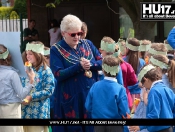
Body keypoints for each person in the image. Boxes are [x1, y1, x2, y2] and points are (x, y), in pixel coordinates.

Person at [50, 14, 102, 132]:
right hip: (71, 98)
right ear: (63, 33)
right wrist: (79, 66)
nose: (77, 37)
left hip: (91, 95)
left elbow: (102, 61)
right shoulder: (56, 49)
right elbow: (58, 74)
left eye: (79, 33)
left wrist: (91, 65)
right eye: (73, 34)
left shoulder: (87, 43)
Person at [85, 55, 130, 132]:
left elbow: (88, 106)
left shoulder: (95, 85)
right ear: (118, 70)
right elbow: (124, 110)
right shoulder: (120, 89)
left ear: (103, 69)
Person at [129, 64, 175, 132]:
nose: (145, 87)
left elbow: (154, 115)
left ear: (146, 79)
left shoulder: (154, 91)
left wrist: (140, 126)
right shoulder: (168, 90)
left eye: (143, 84)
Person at [0, 44, 35, 132]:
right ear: (8, 56)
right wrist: (31, 81)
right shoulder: (12, 74)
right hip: (11, 111)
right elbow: (22, 94)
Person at [21, 41, 55, 132]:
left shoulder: (46, 71)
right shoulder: (25, 70)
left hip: (39, 113)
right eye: (27, 54)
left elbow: (49, 90)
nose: (27, 56)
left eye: (30, 54)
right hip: (24, 112)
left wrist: (32, 97)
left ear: (38, 55)